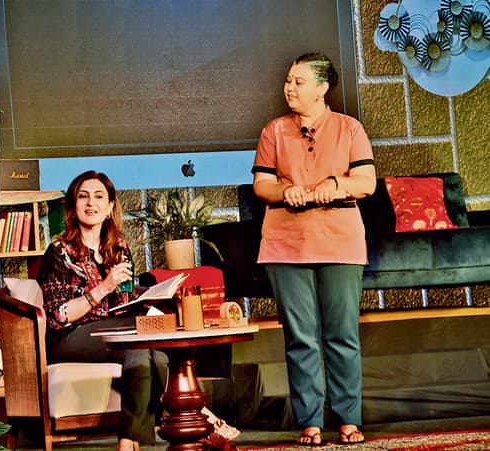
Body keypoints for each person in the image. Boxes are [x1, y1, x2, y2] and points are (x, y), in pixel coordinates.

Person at [36, 170, 238, 450]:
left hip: (114, 330)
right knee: (142, 338)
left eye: (99, 197)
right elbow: (59, 316)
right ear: (73, 207)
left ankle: (129, 440)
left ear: (110, 207)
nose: (91, 203)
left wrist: (149, 297)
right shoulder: (59, 252)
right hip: (70, 337)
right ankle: (194, 414)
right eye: (83, 197)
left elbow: (125, 297)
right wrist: (104, 287)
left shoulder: (117, 247)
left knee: (147, 351)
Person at [251, 53, 376, 446]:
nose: (289, 88)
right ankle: (310, 422)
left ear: (322, 88)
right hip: (286, 245)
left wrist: (336, 185)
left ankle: (348, 420)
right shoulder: (274, 131)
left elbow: (367, 181)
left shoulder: (349, 129)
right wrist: (284, 190)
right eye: (288, 80)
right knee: (300, 337)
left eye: (299, 81)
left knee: (342, 334)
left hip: (340, 242)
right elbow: (262, 185)